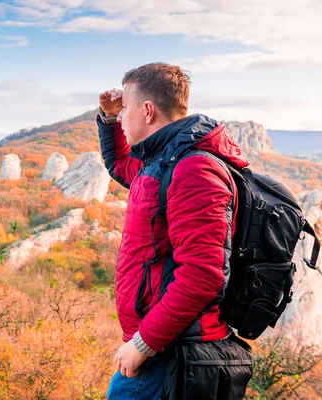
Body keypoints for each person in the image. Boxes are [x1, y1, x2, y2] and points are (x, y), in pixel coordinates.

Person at [97, 63, 253, 399]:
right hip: (164, 346)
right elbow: (120, 166)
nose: (122, 118)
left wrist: (143, 344)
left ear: (148, 111)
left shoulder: (193, 168)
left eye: (125, 110)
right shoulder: (163, 161)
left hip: (171, 354)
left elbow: (202, 274)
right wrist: (108, 118)